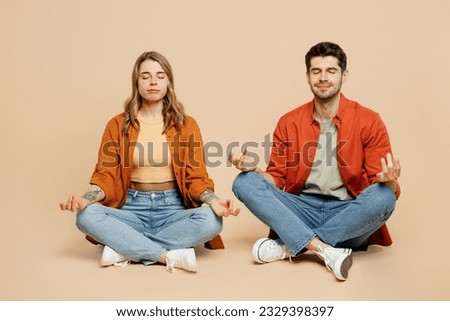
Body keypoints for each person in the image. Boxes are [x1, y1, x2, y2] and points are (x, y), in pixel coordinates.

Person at [230, 42, 401, 281]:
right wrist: (254, 169)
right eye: (316, 71)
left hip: (348, 214)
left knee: (384, 195)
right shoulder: (289, 122)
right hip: (301, 210)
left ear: (344, 75)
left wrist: (390, 182)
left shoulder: (369, 121)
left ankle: (292, 246)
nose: (323, 77)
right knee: (243, 182)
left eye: (331, 71)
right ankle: (325, 250)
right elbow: (276, 179)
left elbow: (382, 189)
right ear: (307, 76)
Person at [60, 51, 239, 272]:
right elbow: (105, 176)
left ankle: (125, 248)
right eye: (145, 76)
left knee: (212, 221)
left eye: (160, 75)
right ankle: (164, 256)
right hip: (132, 209)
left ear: (168, 82)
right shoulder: (117, 125)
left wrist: (214, 201)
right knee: (86, 216)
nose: (153, 81)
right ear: (137, 82)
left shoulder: (186, 125)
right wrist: (85, 200)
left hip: (172, 209)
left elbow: (196, 177)